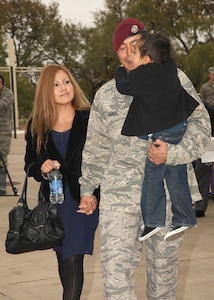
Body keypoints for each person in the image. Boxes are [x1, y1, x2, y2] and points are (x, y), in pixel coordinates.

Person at [78, 18, 211, 300]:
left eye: (135, 45)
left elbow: (201, 126)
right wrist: (88, 190)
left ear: (147, 46)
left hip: (166, 196)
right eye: (122, 48)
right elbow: (96, 148)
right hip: (120, 196)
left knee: (163, 281)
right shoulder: (106, 95)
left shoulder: (175, 79)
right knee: (115, 274)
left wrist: (172, 153)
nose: (128, 53)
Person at [24, 64, 99, 300]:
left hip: (82, 201)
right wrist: (41, 167)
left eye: (66, 81)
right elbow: (30, 164)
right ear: (47, 90)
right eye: (56, 84)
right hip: (53, 204)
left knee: (73, 256)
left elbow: (102, 158)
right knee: (63, 258)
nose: (64, 88)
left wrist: (95, 193)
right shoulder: (36, 124)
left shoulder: (89, 118)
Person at [115, 32, 198, 241]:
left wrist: (120, 71)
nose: (131, 52)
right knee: (176, 174)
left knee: (153, 177)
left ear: (147, 59)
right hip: (178, 126)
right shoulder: (169, 66)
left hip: (163, 133)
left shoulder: (143, 74)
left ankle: (152, 221)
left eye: (136, 49)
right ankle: (185, 217)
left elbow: (123, 85)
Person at [194, 101, 214, 217]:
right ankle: (200, 207)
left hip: (208, 144)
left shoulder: (200, 107)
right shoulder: (202, 105)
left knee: (201, 173)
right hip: (206, 143)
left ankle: (200, 208)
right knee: (201, 173)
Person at [0, 74, 14, 195]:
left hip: (3, 132)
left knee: (2, 159)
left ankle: (2, 187)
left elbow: (3, 105)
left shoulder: (8, 94)